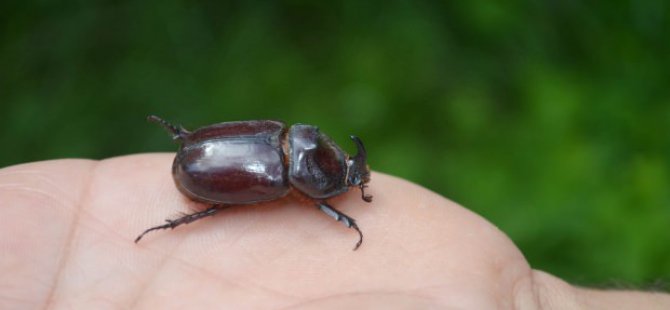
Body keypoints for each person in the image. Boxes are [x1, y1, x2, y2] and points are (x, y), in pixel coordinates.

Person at [1, 154, 668, 309]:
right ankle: (177, 221)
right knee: (217, 209)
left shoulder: (292, 152)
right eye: (340, 180)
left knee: (220, 206)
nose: (348, 175)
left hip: (206, 158)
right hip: (201, 175)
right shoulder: (285, 179)